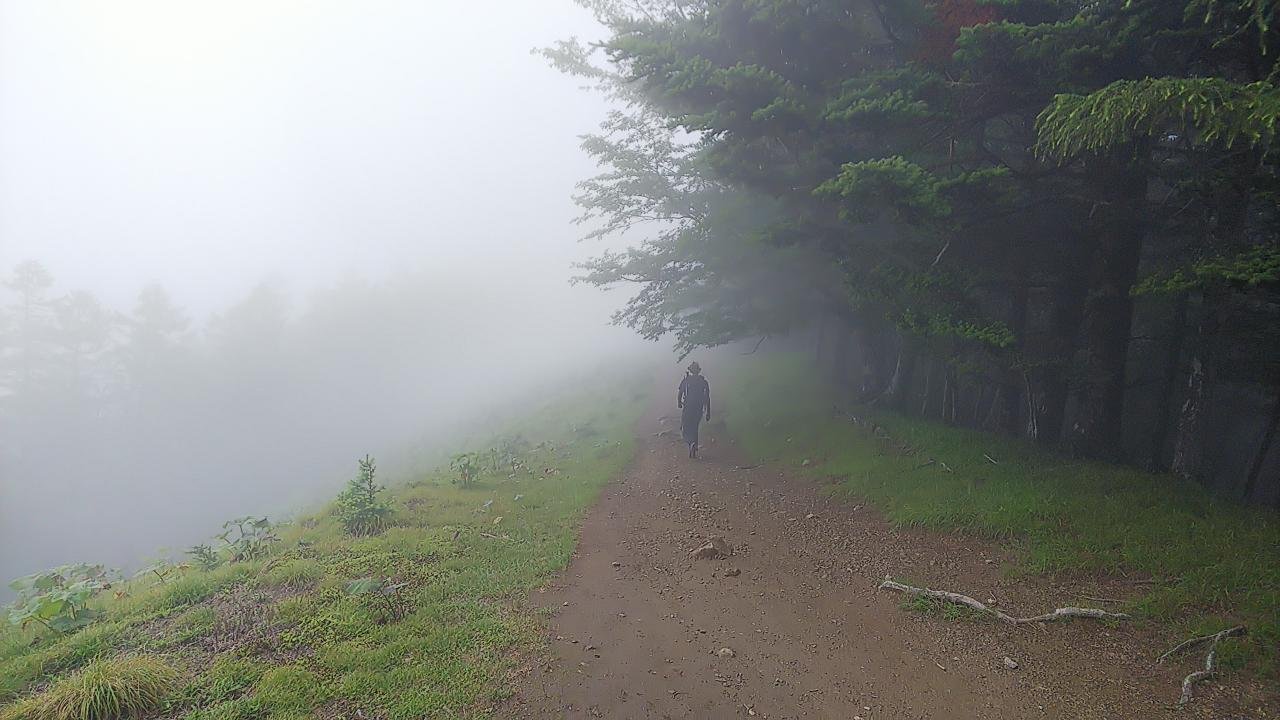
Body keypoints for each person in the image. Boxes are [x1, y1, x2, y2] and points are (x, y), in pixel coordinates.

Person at [677, 361, 711, 458]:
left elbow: (680, 393)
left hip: (688, 406)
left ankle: (690, 442)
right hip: (698, 407)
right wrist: (708, 411)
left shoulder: (686, 380)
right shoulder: (703, 381)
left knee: (686, 425)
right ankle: (694, 444)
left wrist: (679, 403)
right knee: (695, 426)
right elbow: (707, 397)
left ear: (690, 371)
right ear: (698, 371)